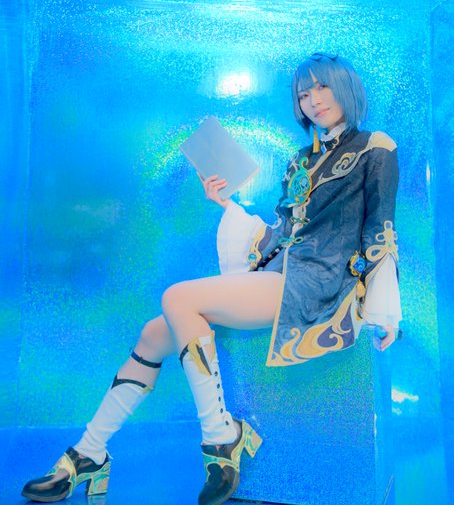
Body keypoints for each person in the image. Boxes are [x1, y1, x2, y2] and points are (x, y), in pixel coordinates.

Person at [22, 53, 402, 505]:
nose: (313, 100)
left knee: (178, 297)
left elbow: (380, 227)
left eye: (322, 87)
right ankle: (89, 452)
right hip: (281, 271)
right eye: (304, 93)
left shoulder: (376, 146)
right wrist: (226, 205)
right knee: (153, 334)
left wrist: (384, 309)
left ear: (346, 87)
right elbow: (284, 234)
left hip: (322, 282)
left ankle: (221, 437)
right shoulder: (300, 161)